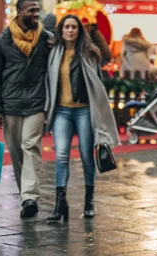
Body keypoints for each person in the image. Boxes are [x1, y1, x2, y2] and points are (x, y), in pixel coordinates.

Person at [45, 15, 121, 222]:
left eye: (74, 27)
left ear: (79, 31)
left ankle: (89, 201)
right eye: (66, 27)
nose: (70, 30)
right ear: (61, 30)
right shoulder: (53, 52)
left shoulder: (89, 53)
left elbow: (97, 83)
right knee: (61, 155)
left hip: (84, 111)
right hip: (61, 111)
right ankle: (60, 204)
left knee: (86, 156)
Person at [0, 0, 52, 218]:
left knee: (30, 146)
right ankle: (25, 195)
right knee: (16, 153)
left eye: (37, 10)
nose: (36, 14)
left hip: (36, 103)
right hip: (10, 105)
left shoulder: (46, 40)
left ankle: (30, 197)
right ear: (19, 12)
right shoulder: (2, 42)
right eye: (31, 10)